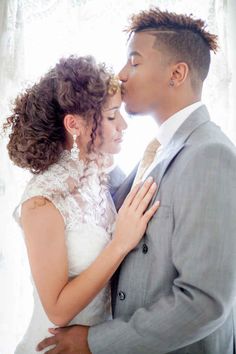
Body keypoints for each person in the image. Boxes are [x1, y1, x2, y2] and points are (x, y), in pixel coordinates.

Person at [37, 7, 236, 354]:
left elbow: (205, 302)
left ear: (176, 73)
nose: (122, 75)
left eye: (134, 61)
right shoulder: (159, 148)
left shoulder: (210, 155)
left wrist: (94, 341)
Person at [4, 55, 160, 354]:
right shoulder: (42, 201)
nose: (123, 125)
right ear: (74, 125)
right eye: (113, 116)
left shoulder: (97, 172)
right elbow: (58, 311)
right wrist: (120, 244)